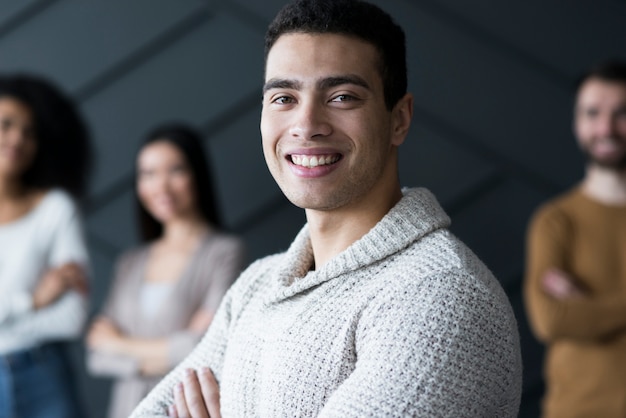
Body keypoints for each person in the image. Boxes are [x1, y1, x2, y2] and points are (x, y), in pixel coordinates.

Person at [131, 0, 523, 416]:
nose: (306, 124)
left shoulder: (439, 294)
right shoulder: (256, 288)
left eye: (341, 96)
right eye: (283, 97)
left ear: (399, 119)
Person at [85, 123, 246, 418]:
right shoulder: (130, 261)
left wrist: (119, 344)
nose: (161, 186)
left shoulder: (223, 252)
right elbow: (97, 356)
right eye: (148, 174)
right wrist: (171, 350)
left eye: (175, 170)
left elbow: (206, 348)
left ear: (197, 174)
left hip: (181, 408)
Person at [524, 59, 626, 418]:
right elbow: (550, 319)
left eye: (621, 113)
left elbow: (571, 317)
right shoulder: (555, 220)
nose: (606, 128)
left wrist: (591, 309)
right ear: (577, 122)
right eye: (592, 112)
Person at [0, 74, 91, 418]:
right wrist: (33, 301)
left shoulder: (56, 210)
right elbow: (46, 309)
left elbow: (72, 318)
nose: (17, 139)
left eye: (29, 132)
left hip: (44, 375)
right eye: (6, 125)